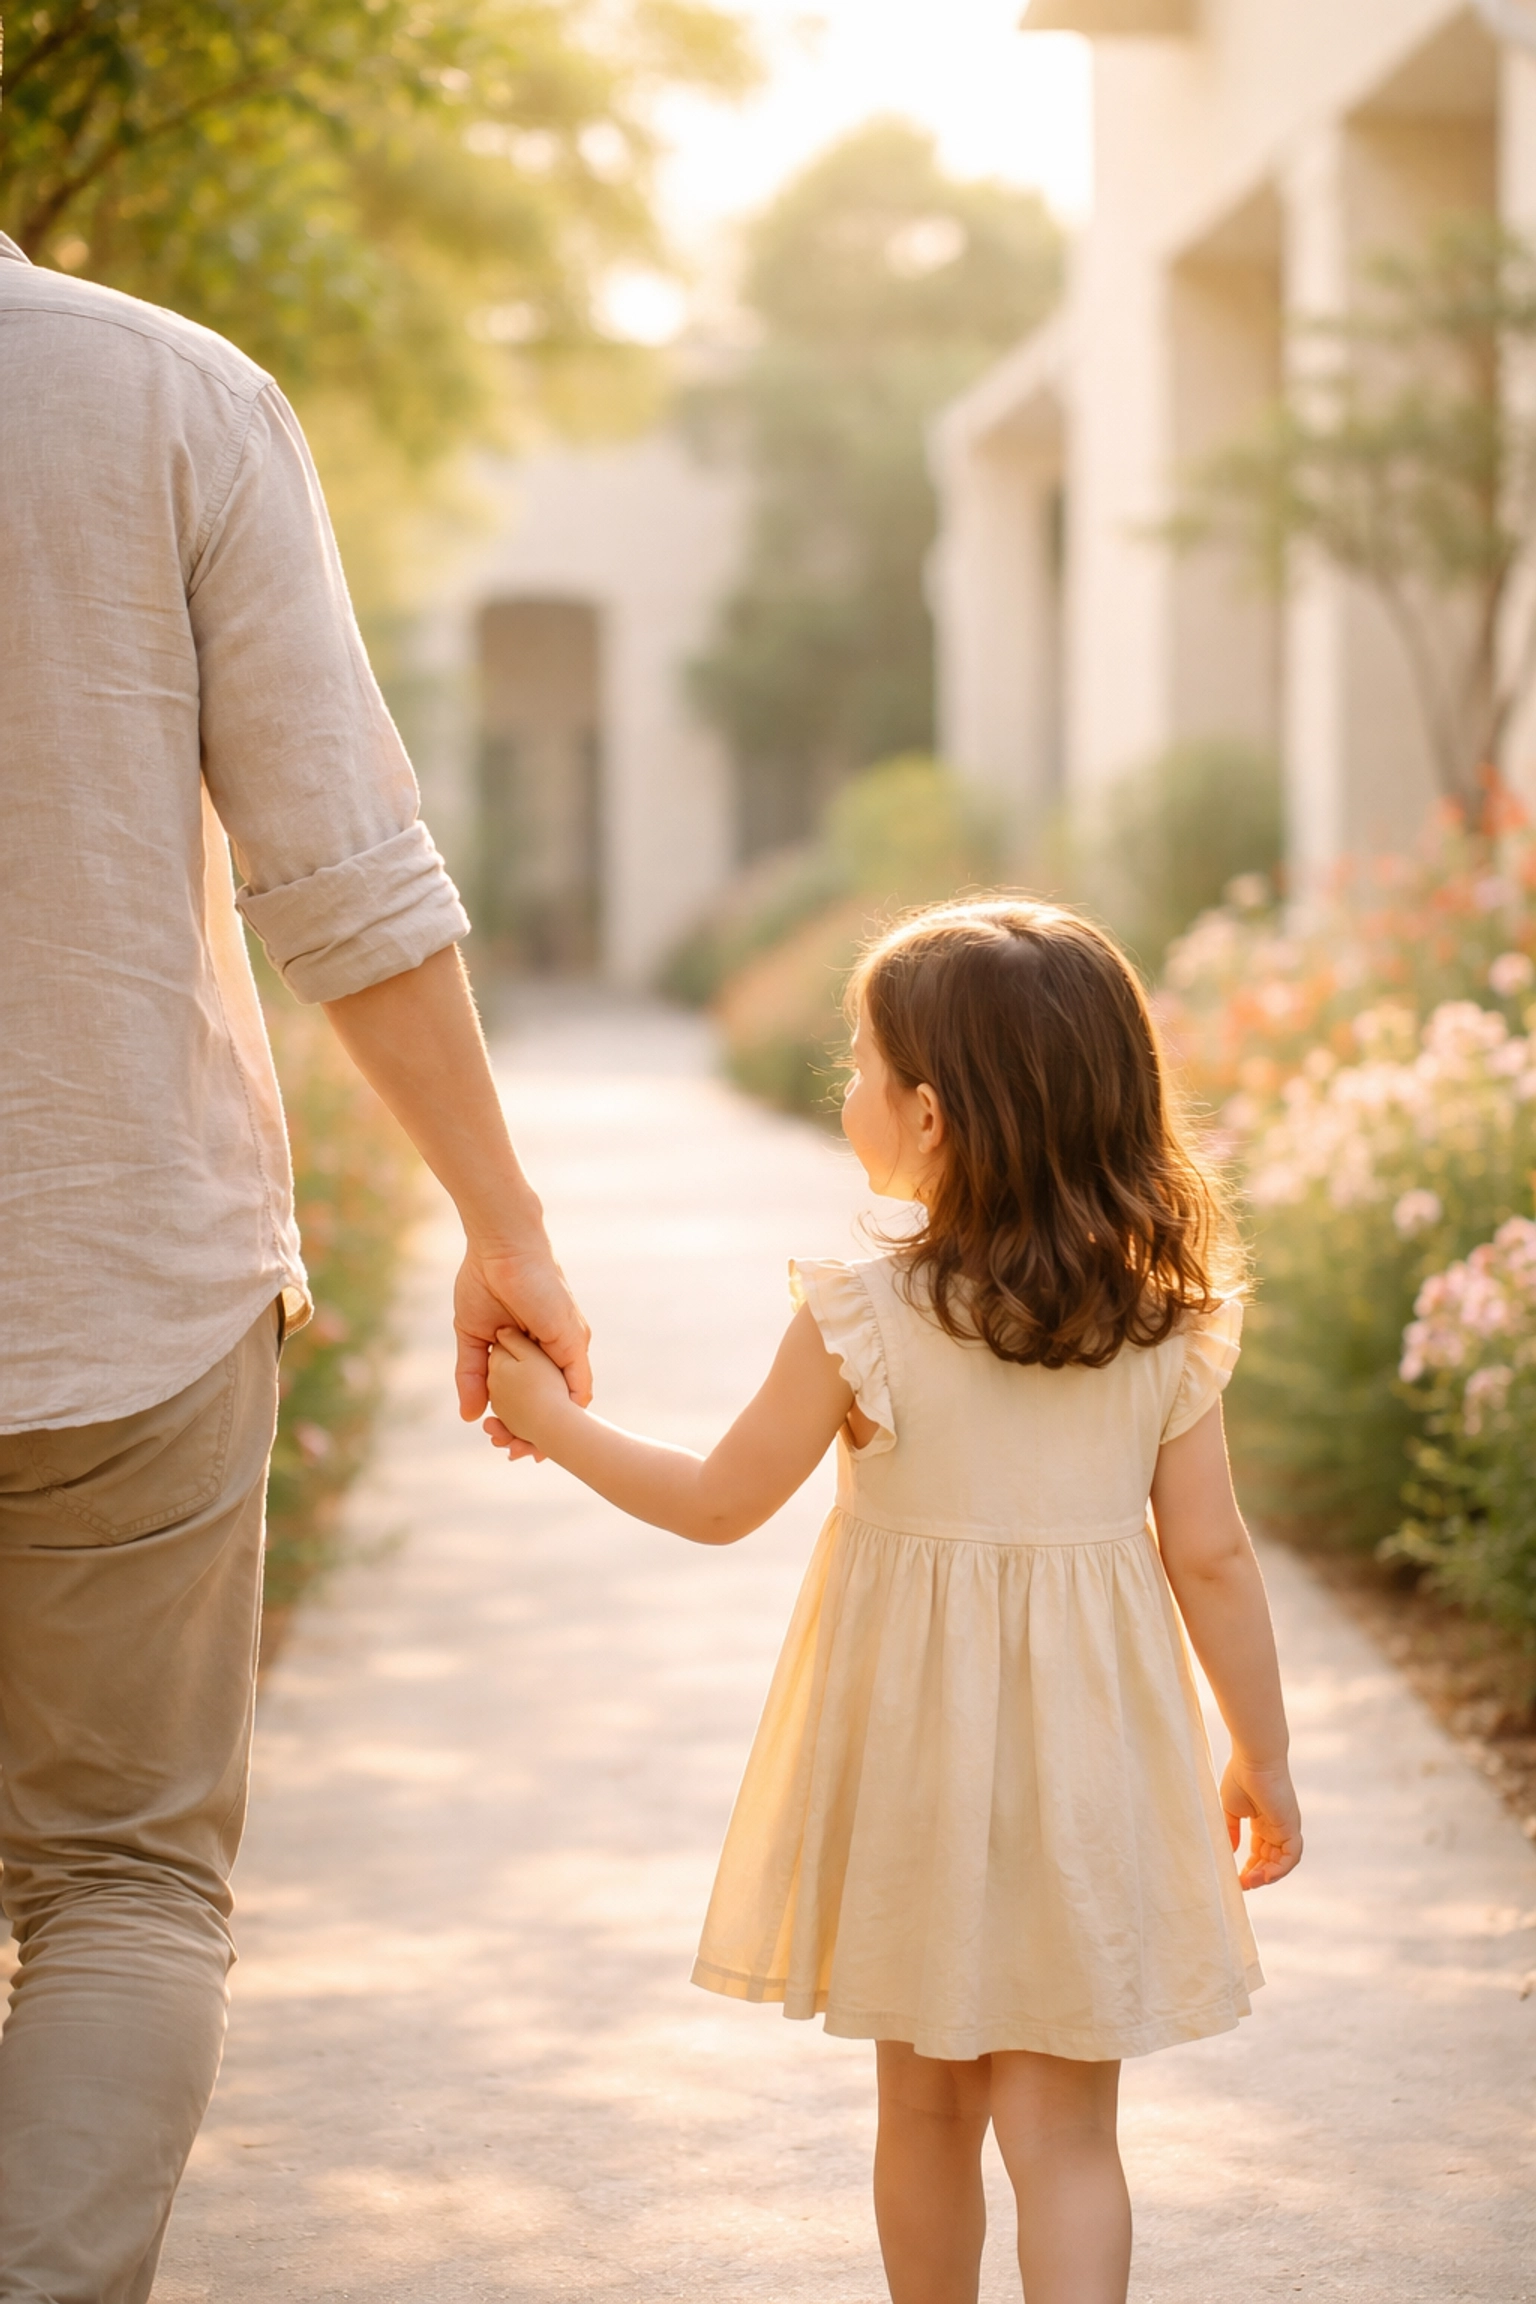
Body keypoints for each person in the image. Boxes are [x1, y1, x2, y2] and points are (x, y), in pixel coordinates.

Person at [0, 232, 589, 2299]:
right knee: (120, 1890)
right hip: (110, 1296)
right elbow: (339, 873)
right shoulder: (164, 398)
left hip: (124, 1301)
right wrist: (505, 1229)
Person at [485, 899, 1303, 2304]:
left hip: (915, 1769)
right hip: (1091, 1770)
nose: (843, 1088)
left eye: (858, 1066)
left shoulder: (864, 1308)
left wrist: (548, 1421)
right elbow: (1214, 1557)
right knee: (1066, 2134)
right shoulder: (1163, 1319)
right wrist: (1261, 1756)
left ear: (928, 1117)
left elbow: (719, 1500)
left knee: (926, 2111)